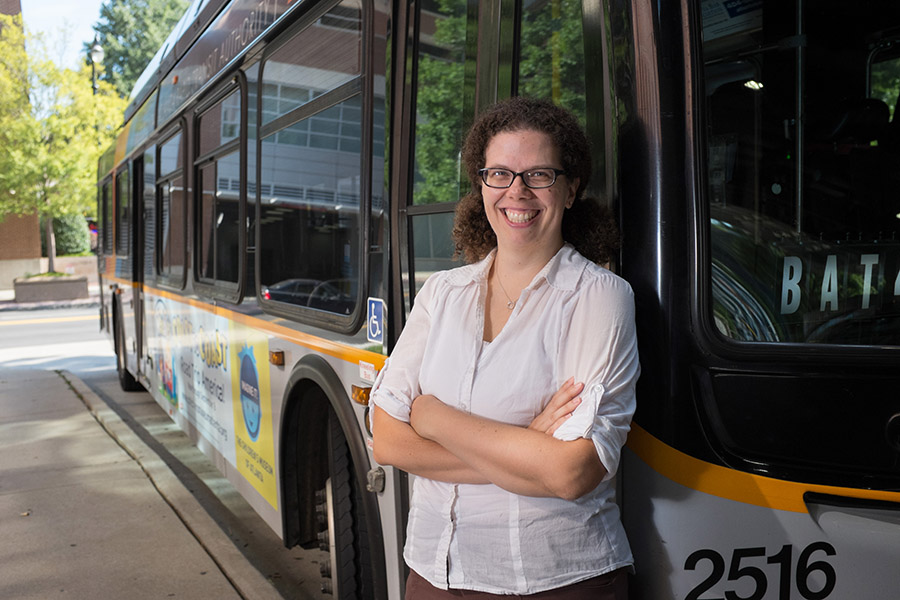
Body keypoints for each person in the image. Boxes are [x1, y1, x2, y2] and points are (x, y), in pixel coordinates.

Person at [371, 96, 639, 599]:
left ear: (571, 187)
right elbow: (386, 441)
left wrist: (430, 416)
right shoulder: (442, 293)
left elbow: (571, 470)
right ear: (482, 184)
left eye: (539, 174)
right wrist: (525, 444)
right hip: (432, 574)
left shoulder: (600, 297)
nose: (517, 191)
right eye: (500, 173)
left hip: (556, 579)